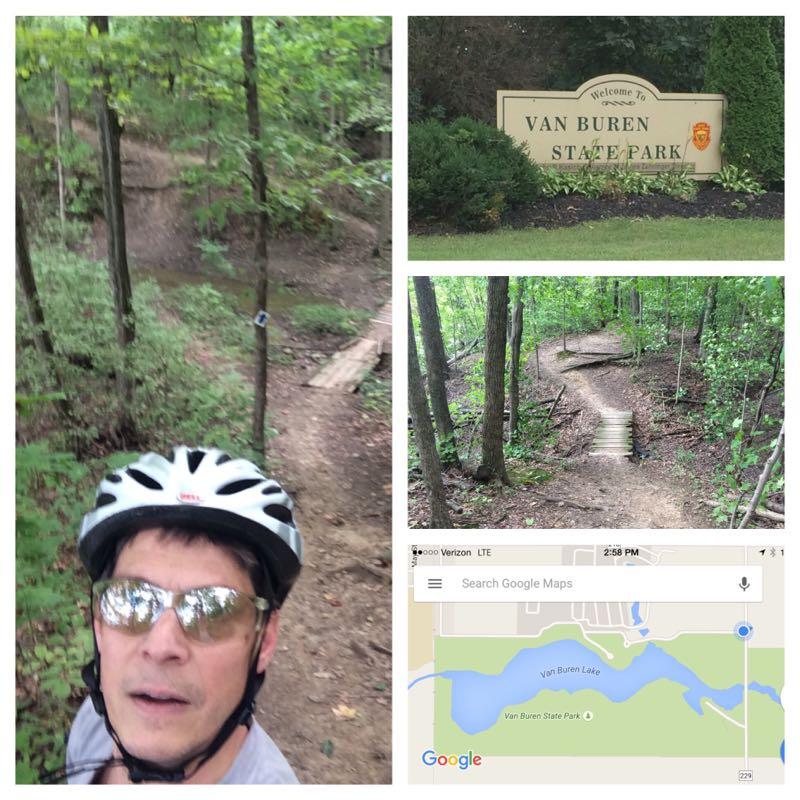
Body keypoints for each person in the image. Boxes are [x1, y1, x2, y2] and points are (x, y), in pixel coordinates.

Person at [64, 445, 303, 784]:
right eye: (131, 599)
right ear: (99, 623)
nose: (161, 646)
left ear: (264, 640)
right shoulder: (93, 726)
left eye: (213, 609)